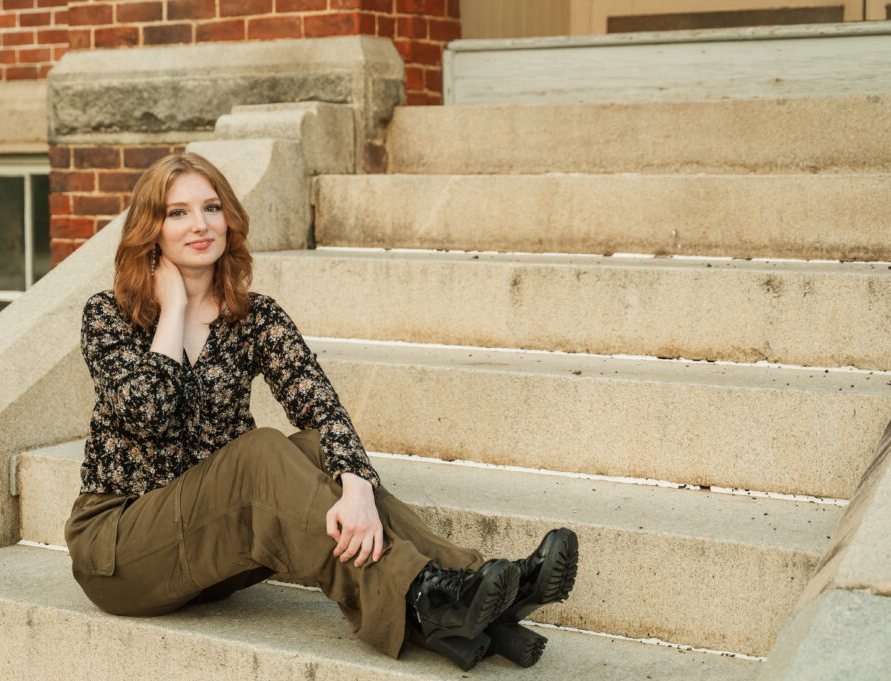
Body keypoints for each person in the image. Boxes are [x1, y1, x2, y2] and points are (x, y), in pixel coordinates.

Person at [63, 152, 579, 671]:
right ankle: (436, 599)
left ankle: (477, 587)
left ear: (229, 218)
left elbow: (320, 405)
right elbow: (147, 413)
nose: (200, 224)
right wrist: (173, 309)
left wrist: (355, 484)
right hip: (121, 552)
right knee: (260, 450)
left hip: (217, 556)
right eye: (178, 213)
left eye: (211, 207)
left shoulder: (255, 316)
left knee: (315, 449)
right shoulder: (109, 315)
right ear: (151, 229)